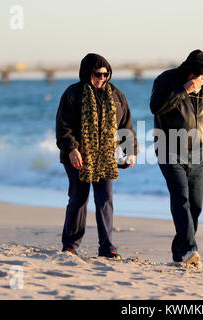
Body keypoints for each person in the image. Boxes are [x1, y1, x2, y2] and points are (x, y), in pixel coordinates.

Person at [150, 49, 203, 266]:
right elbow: (155, 107)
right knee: (181, 199)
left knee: (196, 206)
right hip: (170, 149)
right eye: (196, 76)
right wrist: (183, 90)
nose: (199, 80)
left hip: (199, 153)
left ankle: (180, 252)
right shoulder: (166, 80)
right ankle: (190, 249)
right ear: (187, 71)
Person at [56, 53, 137, 258]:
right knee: (78, 198)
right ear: (86, 73)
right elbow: (63, 126)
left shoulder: (117, 95)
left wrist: (131, 152)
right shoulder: (73, 93)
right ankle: (71, 244)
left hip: (106, 157)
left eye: (105, 74)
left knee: (105, 200)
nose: (101, 78)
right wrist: (72, 149)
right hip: (78, 156)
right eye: (97, 74)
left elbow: (125, 125)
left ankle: (107, 246)